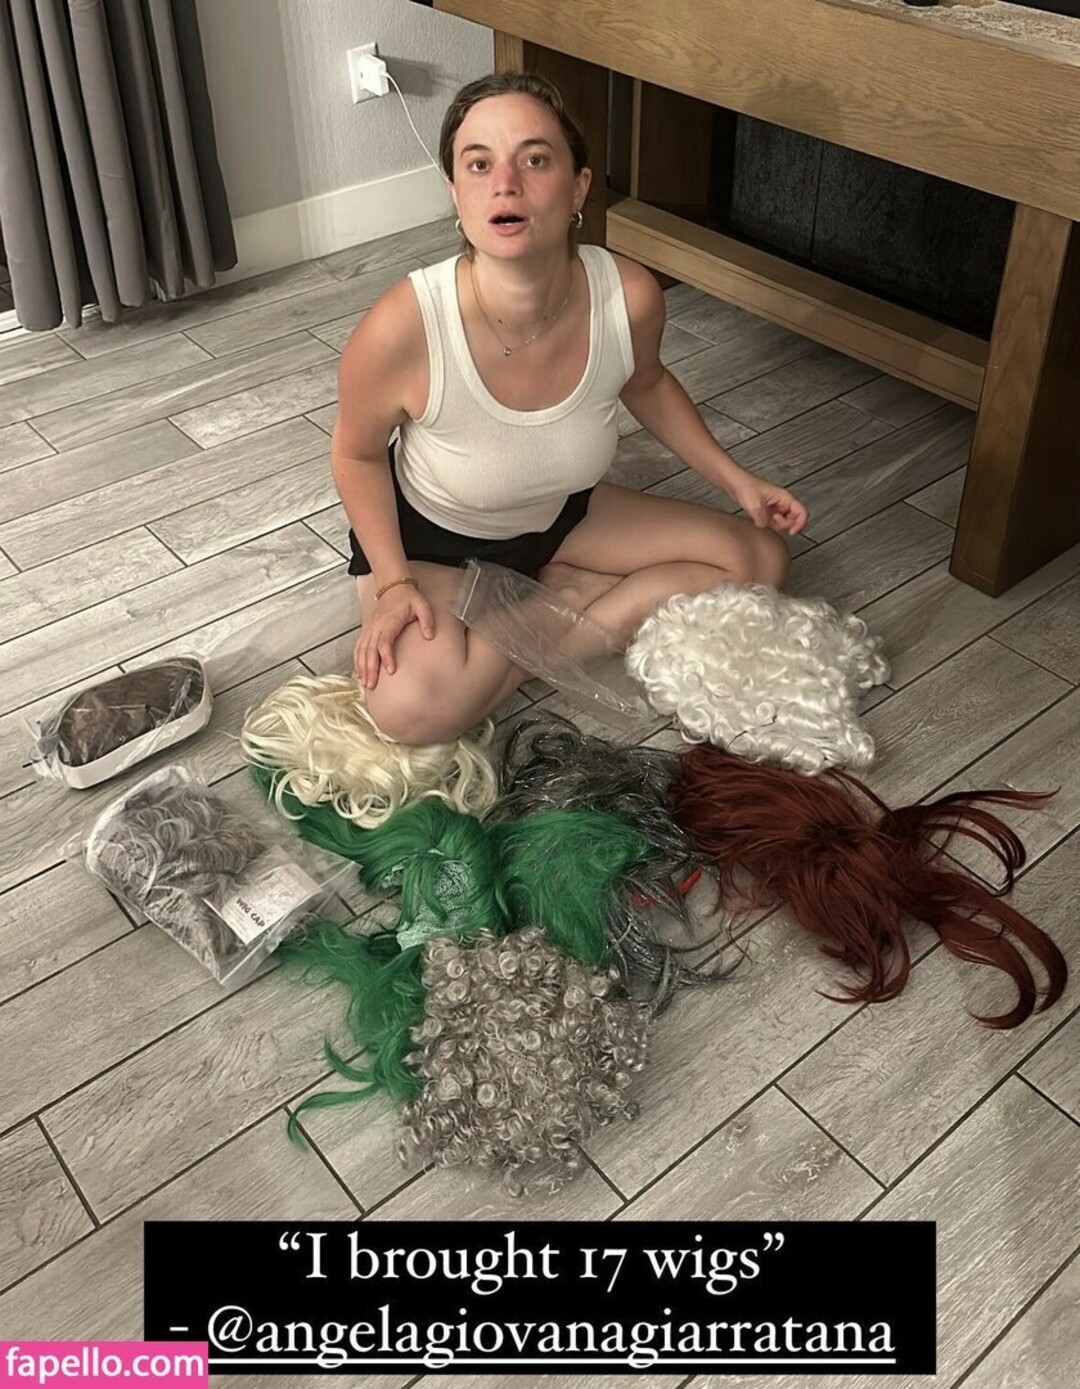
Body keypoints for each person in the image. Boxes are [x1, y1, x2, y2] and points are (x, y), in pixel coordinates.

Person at [332, 72, 808, 746]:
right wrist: (391, 583)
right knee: (409, 709)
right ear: (456, 193)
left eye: (535, 159)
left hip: (557, 513)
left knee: (760, 561)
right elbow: (355, 454)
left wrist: (740, 482)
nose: (506, 184)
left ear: (579, 187)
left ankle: (552, 602)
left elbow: (647, 383)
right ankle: (575, 601)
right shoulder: (403, 326)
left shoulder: (628, 295)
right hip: (434, 538)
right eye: (479, 165)